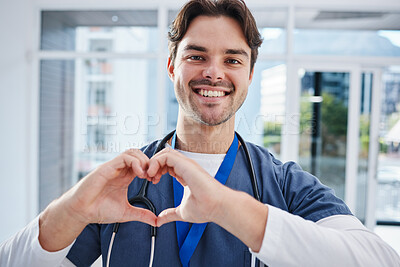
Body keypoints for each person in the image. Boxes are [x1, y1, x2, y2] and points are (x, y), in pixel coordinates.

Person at [1, 0, 400, 266]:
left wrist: (229, 208)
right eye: (196, 56)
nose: (214, 72)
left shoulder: (286, 184)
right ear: (172, 66)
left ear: (248, 75)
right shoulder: (121, 183)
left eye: (232, 59)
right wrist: (71, 210)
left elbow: (377, 259)